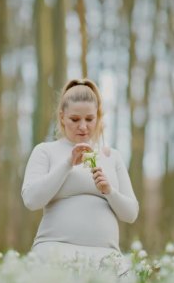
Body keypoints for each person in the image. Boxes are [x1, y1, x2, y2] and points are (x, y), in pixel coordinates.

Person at [21, 78, 139, 265]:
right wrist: (68, 163)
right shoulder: (45, 151)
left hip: (106, 257)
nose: (83, 126)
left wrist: (109, 191)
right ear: (62, 117)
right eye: (75, 119)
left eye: (89, 119)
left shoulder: (112, 156)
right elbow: (31, 200)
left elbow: (131, 214)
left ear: (98, 116)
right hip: (54, 252)